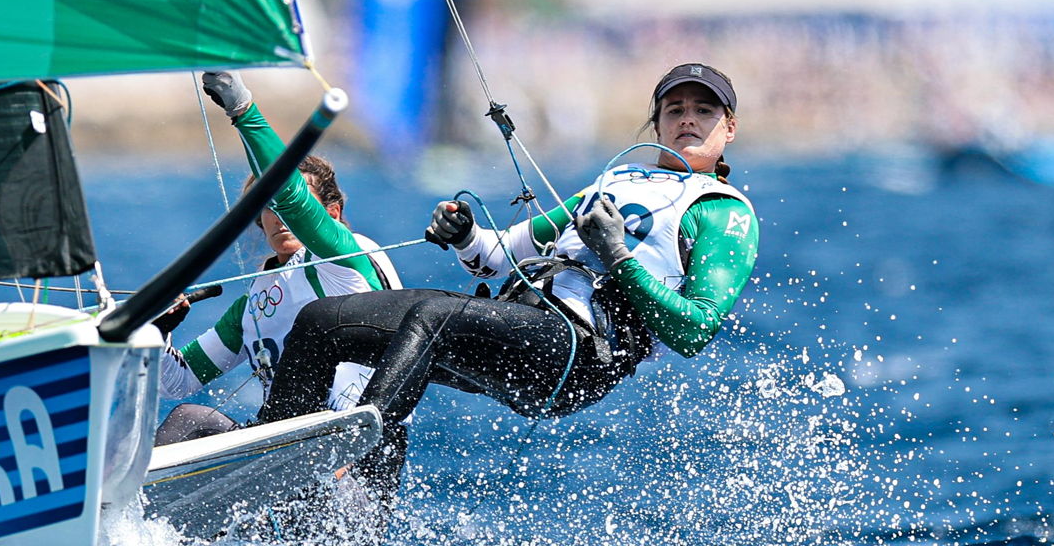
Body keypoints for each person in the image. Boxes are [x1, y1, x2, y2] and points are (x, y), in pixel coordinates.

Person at [259, 64, 759, 451]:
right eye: (675, 109)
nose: (688, 118)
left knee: (431, 317)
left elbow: (695, 331)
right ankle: (270, 459)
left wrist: (617, 255)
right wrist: (464, 234)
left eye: (704, 110)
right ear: (657, 123)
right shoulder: (617, 181)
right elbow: (497, 257)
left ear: (729, 127)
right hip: (522, 323)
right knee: (321, 320)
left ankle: (346, 451)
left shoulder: (722, 211)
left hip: (579, 354)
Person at [154, 70, 403, 447]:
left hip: (356, 450)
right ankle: (124, 506)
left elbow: (294, 201)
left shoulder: (346, 260)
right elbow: (177, 381)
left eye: (289, 205)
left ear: (332, 214)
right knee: (188, 418)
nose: (281, 215)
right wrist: (157, 332)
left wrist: (243, 109)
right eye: (268, 206)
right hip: (286, 453)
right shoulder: (252, 305)